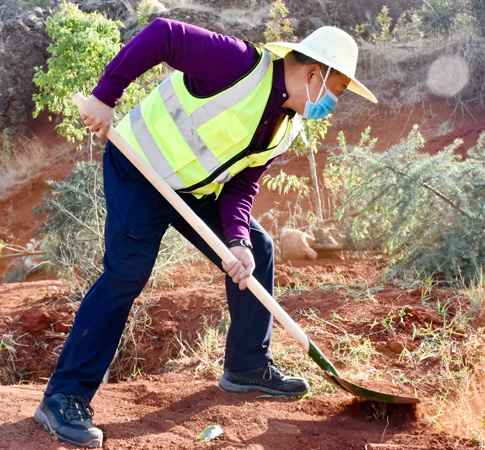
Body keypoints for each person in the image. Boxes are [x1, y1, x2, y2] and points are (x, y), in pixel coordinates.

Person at [34, 17, 376, 448]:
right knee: (127, 273)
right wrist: (105, 96)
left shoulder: (287, 125)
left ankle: (247, 366)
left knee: (258, 248)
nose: (333, 103)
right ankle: (64, 397)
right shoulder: (238, 63)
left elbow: (242, 186)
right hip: (138, 171)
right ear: (314, 74)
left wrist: (237, 241)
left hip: (195, 190)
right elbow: (162, 34)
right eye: (336, 91)